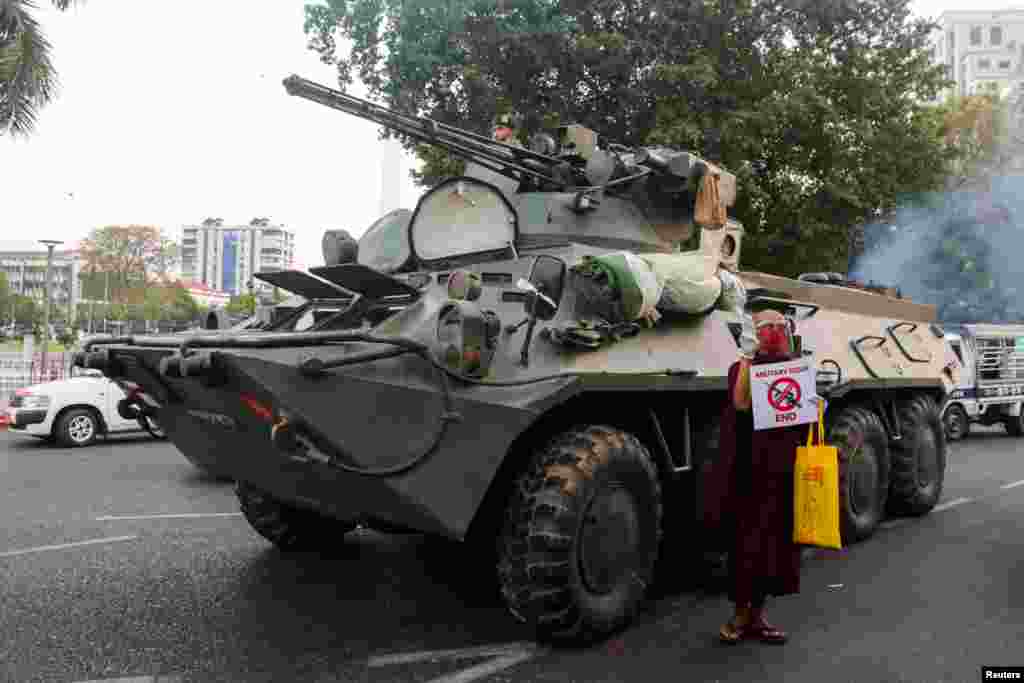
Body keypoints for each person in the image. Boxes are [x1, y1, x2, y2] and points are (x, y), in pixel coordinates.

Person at [715, 305, 807, 644]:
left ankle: (758, 616)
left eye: (781, 325)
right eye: (769, 326)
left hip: (783, 471)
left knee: (776, 545)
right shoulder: (740, 368)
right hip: (749, 473)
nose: (777, 331)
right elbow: (740, 403)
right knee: (747, 544)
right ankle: (740, 616)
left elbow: (800, 415)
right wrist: (748, 358)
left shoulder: (793, 369)